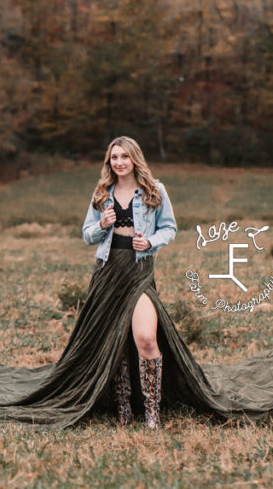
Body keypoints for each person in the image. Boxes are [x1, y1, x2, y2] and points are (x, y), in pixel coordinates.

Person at [80, 135, 177, 429]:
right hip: (108, 271)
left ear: (135, 158)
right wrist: (102, 225)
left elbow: (169, 228)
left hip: (139, 270)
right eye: (114, 157)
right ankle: (122, 407)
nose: (119, 162)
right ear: (109, 162)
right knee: (117, 340)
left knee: (146, 338)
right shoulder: (102, 193)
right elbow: (87, 234)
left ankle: (151, 412)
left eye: (124, 156)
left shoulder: (154, 190)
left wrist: (150, 242)